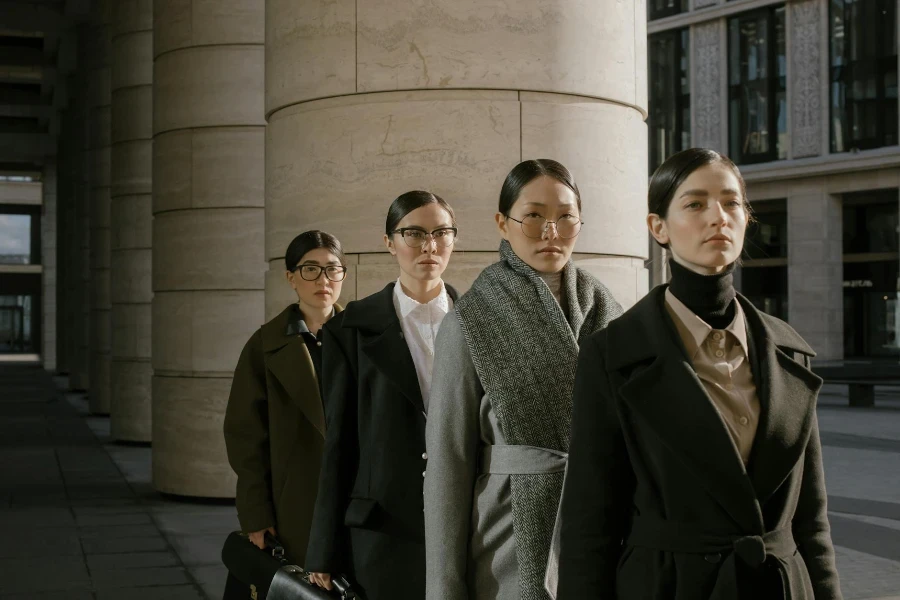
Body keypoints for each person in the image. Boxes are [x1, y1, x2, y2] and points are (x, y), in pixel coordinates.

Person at [556, 148, 842, 599]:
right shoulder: (613, 354)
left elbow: (812, 521)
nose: (718, 216)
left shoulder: (788, 351)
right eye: (695, 203)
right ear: (658, 228)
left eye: (731, 203)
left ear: (747, 219)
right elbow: (589, 524)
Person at [423, 159, 623, 600]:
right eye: (533, 216)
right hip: (506, 537)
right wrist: (443, 589)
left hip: (602, 524)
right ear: (503, 222)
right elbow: (446, 465)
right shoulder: (471, 318)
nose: (550, 232)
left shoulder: (608, 310)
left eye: (565, 217)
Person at [306, 191, 460, 600]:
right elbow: (338, 443)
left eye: (441, 233)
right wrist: (323, 549)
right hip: (383, 530)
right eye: (414, 233)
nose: (429, 245)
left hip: (465, 522)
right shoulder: (350, 330)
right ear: (389, 242)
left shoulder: (480, 321)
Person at [223, 230, 347, 563]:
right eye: (310, 269)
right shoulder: (264, 345)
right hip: (293, 503)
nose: (323, 279)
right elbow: (245, 438)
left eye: (332, 268)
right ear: (291, 277)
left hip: (355, 499)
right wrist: (256, 515)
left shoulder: (361, 338)